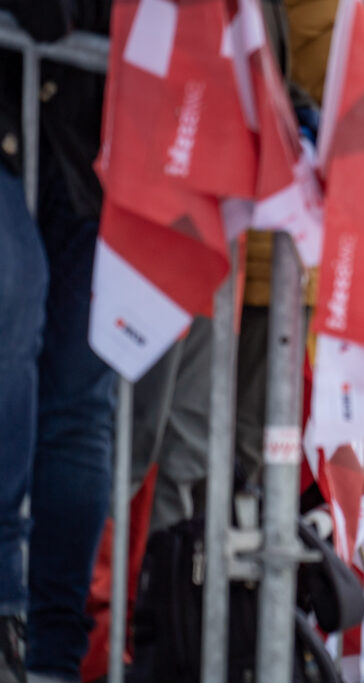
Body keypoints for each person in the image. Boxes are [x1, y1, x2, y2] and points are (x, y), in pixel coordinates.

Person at [0, 3, 118, 680]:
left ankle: (52, 651)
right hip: (21, 129)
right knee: (12, 315)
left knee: (81, 407)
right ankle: (7, 608)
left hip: (85, 150)